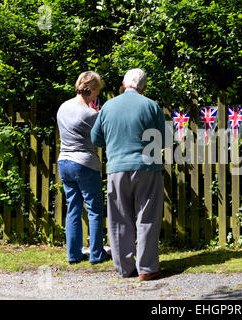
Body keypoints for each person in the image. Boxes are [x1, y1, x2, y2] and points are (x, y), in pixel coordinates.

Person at [91, 68, 165, 281]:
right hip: (147, 168)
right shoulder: (151, 105)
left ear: (124, 84)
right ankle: (147, 268)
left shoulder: (108, 106)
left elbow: (96, 138)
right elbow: (162, 139)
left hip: (117, 168)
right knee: (147, 217)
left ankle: (125, 268)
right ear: (144, 87)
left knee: (119, 218)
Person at [57, 71, 110, 265]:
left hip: (64, 162)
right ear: (92, 89)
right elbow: (102, 138)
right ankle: (96, 254)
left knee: (73, 208)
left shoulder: (63, 107)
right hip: (85, 163)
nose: (97, 96)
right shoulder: (90, 114)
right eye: (97, 92)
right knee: (94, 210)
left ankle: (74, 254)